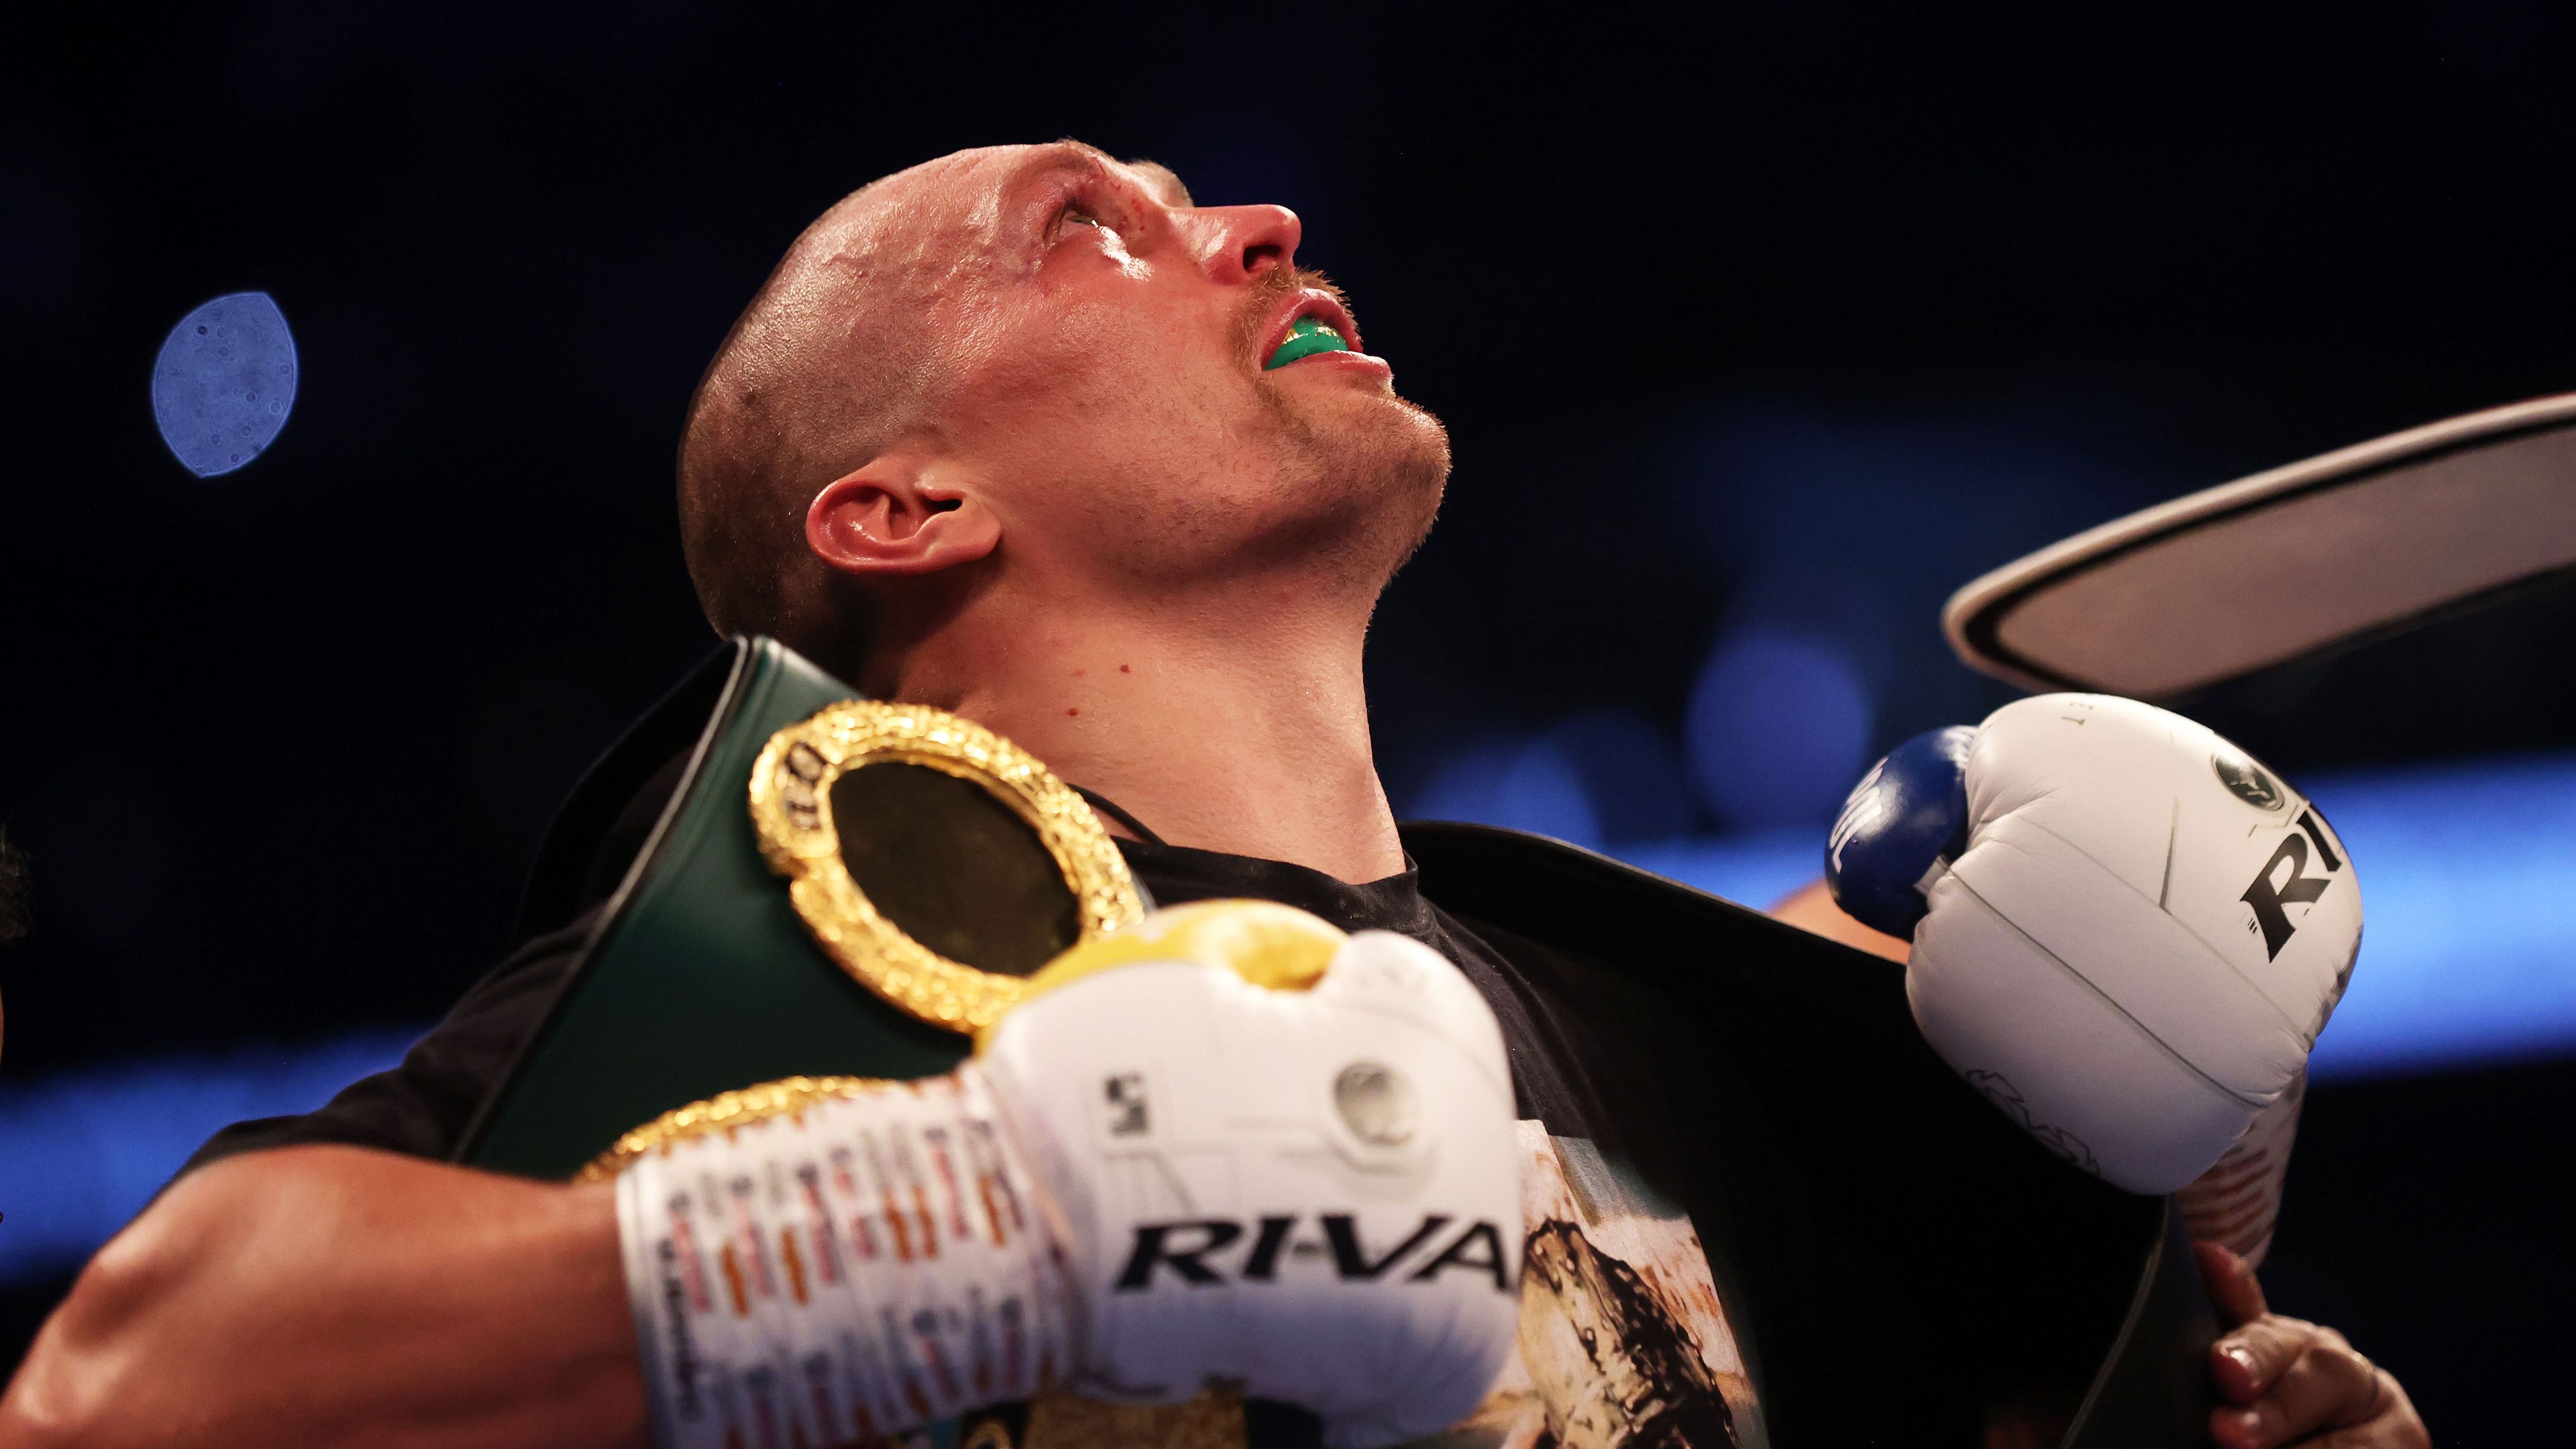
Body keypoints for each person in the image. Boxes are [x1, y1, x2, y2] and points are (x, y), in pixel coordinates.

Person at [0, 142, 2424, 1449]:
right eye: (1095, 231)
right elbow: (131, 1393)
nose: (1256, 223)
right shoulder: (861, 950)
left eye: (1202, 204)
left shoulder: (1696, 1033)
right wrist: (990, 1222)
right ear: (903, 507)